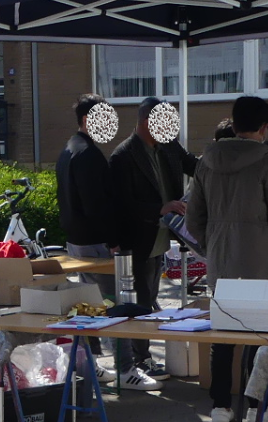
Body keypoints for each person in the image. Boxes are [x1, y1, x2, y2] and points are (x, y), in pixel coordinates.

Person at [185, 95, 268, 422]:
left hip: (221, 260)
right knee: (261, 338)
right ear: (264, 127)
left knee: (223, 334)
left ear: (233, 124)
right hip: (262, 260)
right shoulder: (267, 162)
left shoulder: (205, 161)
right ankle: (255, 407)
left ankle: (220, 406)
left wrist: (213, 244)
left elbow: (193, 219)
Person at [109, 97, 196, 392]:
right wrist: (159, 208)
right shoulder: (122, 156)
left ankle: (142, 357)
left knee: (151, 297)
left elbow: (194, 166)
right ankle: (140, 359)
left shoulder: (169, 145)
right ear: (146, 122)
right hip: (138, 239)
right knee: (140, 302)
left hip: (162, 240)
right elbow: (122, 203)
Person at [56, 94, 117, 263]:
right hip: (94, 242)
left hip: (75, 240)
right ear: (86, 119)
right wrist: (114, 241)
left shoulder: (67, 150)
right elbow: (95, 204)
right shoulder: (89, 154)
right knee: (105, 282)